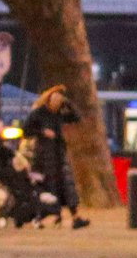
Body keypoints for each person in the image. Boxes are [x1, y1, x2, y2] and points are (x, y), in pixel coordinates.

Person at [20, 84, 89, 229]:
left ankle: (74, 217)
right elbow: (25, 130)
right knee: (48, 186)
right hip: (44, 155)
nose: (57, 102)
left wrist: (68, 104)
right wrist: (42, 132)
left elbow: (75, 117)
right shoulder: (39, 113)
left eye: (60, 100)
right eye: (55, 98)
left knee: (66, 186)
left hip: (58, 152)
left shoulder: (58, 114)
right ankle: (45, 216)